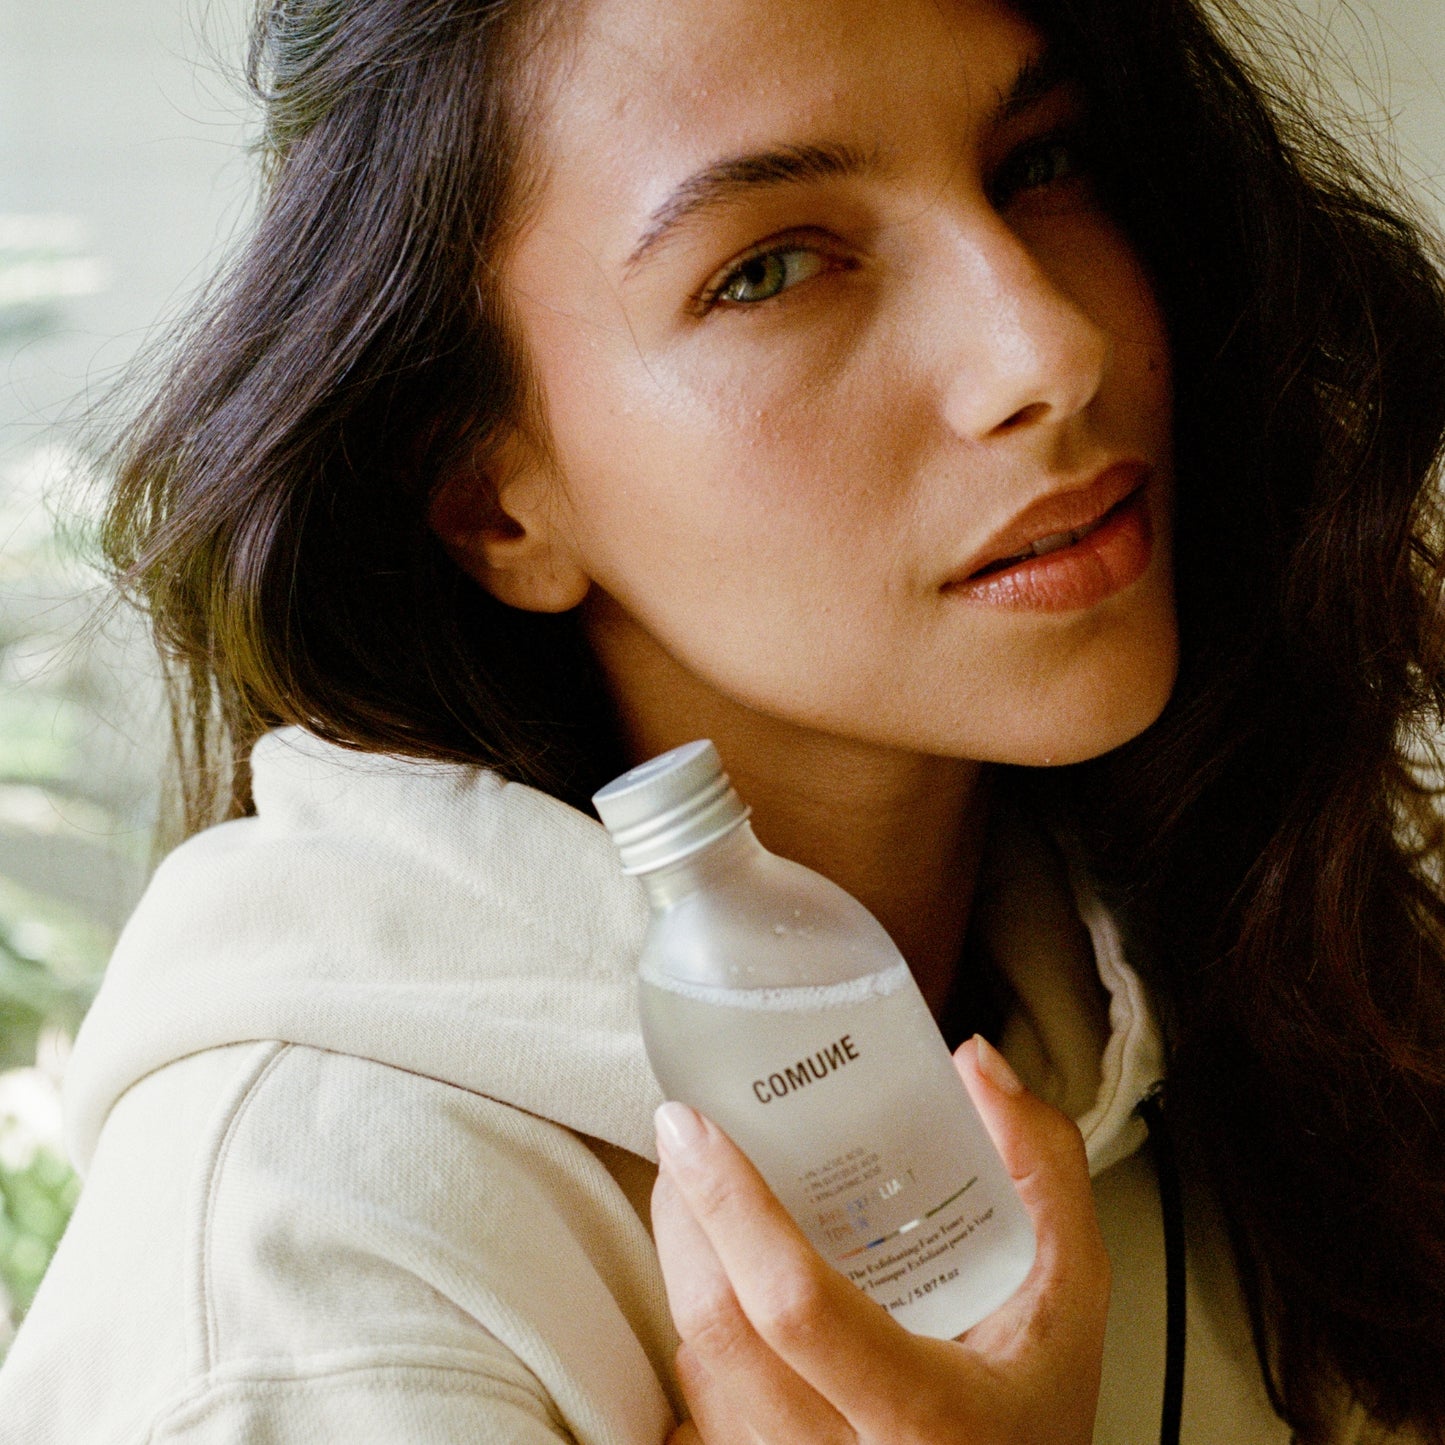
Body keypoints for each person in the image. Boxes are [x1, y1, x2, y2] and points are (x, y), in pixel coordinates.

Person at [2, 0, 1443, 1439]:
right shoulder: (316, 1283)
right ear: (486, 498)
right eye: (767, 269)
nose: (1047, 350)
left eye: (1038, 164)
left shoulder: (1269, 984)